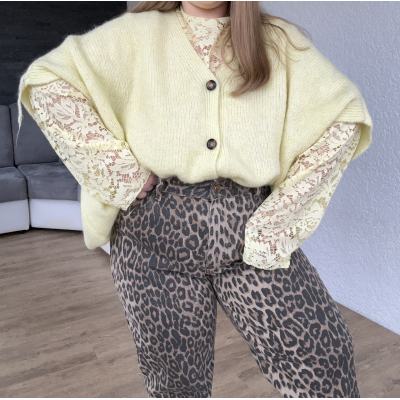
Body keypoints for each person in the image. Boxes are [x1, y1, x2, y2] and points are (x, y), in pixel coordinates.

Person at [17, 1, 373, 397]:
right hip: (152, 237)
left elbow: (344, 116)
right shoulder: (135, 33)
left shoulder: (276, 40)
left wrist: (279, 219)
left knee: (323, 356)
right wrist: (121, 173)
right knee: (175, 381)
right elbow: (48, 81)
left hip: (250, 231)